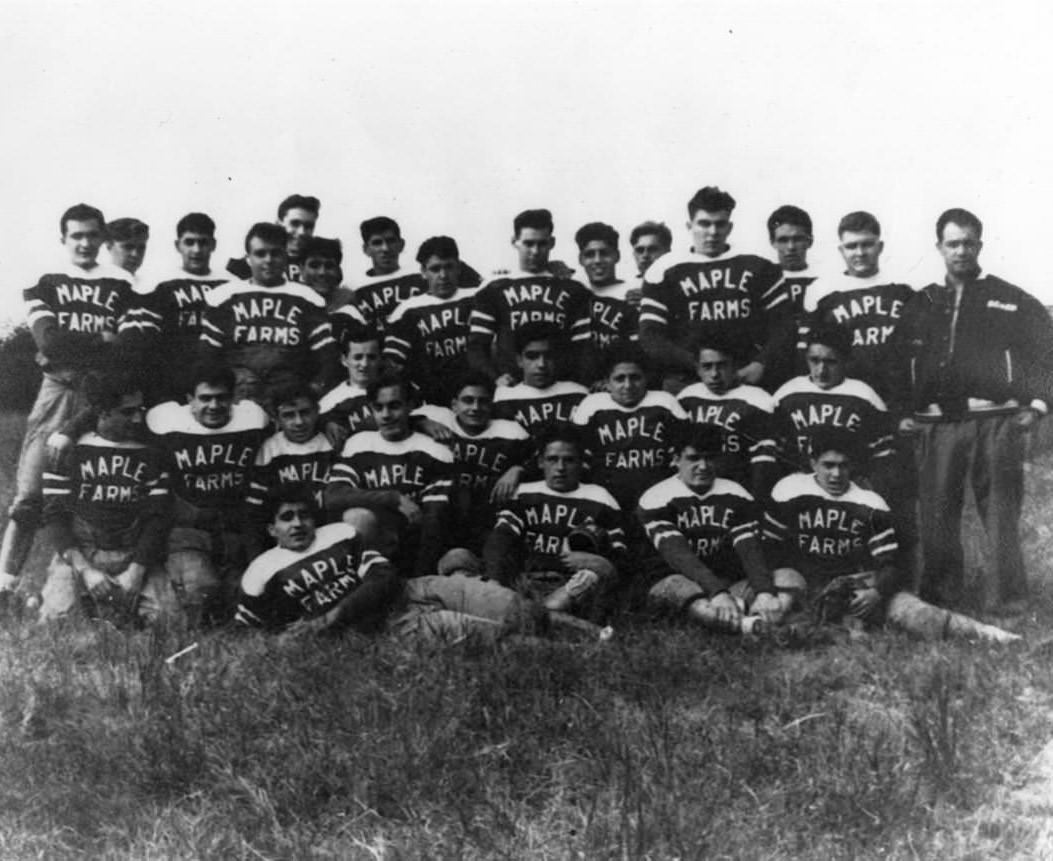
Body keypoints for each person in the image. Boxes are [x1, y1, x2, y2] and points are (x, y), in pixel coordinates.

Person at [895, 208, 1053, 615]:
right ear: (939, 248)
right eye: (953, 243)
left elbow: (1047, 354)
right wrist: (904, 411)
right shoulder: (921, 301)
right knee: (937, 514)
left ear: (980, 245)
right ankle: (942, 598)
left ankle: (1008, 600)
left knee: (1000, 514)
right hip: (938, 424)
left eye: (968, 242)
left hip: (995, 422)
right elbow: (895, 362)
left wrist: (1037, 406)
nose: (961, 250)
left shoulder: (1011, 299)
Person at [763, 429, 1020, 642]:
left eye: (843, 466)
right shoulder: (789, 490)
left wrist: (876, 591)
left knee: (916, 614)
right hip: (802, 583)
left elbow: (892, 565)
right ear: (812, 463)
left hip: (853, 587)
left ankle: (989, 634)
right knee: (776, 603)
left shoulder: (869, 502)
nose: (836, 474)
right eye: (828, 465)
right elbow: (768, 550)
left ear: (852, 466)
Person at [0, 203, 135, 600]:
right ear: (64, 239)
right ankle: (6, 584)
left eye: (93, 235)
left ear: (103, 238)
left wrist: (84, 345)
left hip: (102, 393)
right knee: (31, 491)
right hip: (58, 389)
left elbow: (124, 348)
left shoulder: (120, 282)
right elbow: (48, 342)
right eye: (77, 235)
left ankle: (75, 585)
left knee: (95, 486)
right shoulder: (45, 280)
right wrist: (98, 340)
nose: (85, 243)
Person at [237, 483, 546, 643]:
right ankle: (583, 652)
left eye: (303, 515)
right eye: (286, 518)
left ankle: (593, 635)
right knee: (495, 635)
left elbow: (383, 577)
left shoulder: (339, 534)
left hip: (411, 590)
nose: (298, 524)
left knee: (516, 607)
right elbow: (251, 632)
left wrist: (332, 617)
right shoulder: (261, 572)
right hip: (387, 624)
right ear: (271, 529)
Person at [38, 371, 170, 624]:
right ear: (101, 412)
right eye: (127, 412)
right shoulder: (68, 450)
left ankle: (110, 606)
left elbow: (158, 517)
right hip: (84, 552)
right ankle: (77, 597)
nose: (138, 418)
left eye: (140, 409)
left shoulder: (152, 451)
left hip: (132, 552)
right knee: (57, 622)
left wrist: (137, 570)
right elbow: (54, 515)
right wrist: (85, 570)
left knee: (166, 621)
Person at [636, 424, 793, 633]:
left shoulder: (736, 493)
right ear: (675, 459)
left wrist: (764, 592)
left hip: (727, 583)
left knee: (789, 577)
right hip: (678, 581)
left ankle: (751, 615)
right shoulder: (656, 498)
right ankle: (755, 627)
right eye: (693, 458)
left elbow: (749, 549)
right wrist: (717, 592)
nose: (703, 466)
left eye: (710, 458)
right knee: (695, 601)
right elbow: (679, 555)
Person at [146, 361, 269, 625]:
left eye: (221, 398)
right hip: (188, 532)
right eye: (205, 398)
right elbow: (107, 408)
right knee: (201, 593)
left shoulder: (252, 420)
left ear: (234, 397)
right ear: (189, 399)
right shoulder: (165, 422)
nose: (214, 406)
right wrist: (67, 431)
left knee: (251, 600)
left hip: (233, 533)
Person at [640, 186, 792, 393]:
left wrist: (760, 363)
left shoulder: (757, 265)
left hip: (745, 375)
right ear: (689, 226)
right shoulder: (664, 270)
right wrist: (696, 365)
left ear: (729, 227)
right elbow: (651, 336)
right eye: (704, 224)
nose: (712, 232)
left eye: (720, 224)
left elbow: (783, 325)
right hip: (687, 378)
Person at [482, 423, 625, 617]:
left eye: (569, 460)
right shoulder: (524, 493)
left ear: (581, 463)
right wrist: (496, 583)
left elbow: (620, 556)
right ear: (540, 462)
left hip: (571, 583)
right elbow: (501, 539)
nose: (560, 468)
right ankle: (543, 615)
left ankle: (546, 614)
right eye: (552, 459)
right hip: (526, 578)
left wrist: (598, 560)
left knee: (589, 579)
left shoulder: (600, 498)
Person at [325, 373, 454, 578]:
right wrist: (392, 498)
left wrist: (420, 574)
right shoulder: (359, 443)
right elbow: (333, 495)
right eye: (378, 407)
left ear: (410, 405)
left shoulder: (434, 450)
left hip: (414, 542)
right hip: (374, 540)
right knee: (357, 517)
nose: (385, 415)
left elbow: (434, 519)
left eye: (394, 406)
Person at [200, 222, 341, 404]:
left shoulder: (308, 298)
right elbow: (207, 358)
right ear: (248, 258)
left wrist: (310, 393)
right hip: (237, 400)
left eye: (275, 253)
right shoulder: (224, 297)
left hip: (289, 403)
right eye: (260, 254)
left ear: (285, 256)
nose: (268, 260)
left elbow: (327, 359)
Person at [468, 209, 593, 384]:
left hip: (561, 385)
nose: (535, 251)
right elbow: (477, 346)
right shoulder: (494, 288)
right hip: (513, 387)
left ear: (552, 242)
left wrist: (576, 382)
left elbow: (583, 347)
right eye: (528, 243)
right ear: (514, 242)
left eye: (542, 244)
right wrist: (495, 378)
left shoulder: (572, 287)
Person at [413, 372, 530, 553]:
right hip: (444, 512)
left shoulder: (510, 431)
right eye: (468, 400)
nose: (475, 408)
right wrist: (422, 422)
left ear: (491, 404)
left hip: (486, 513)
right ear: (454, 405)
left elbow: (540, 457)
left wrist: (518, 468)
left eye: (482, 401)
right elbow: (395, 420)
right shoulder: (439, 418)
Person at [802, 211, 914, 399]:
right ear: (841, 250)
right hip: (845, 395)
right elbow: (809, 353)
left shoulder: (904, 288)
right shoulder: (821, 291)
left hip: (897, 392)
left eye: (867, 244)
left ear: (880, 247)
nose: (860, 253)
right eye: (852, 246)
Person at [126, 212, 229, 402]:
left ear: (213, 245)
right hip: (171, 379)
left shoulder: (230, 285)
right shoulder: (160, 284)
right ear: (177, 245)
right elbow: (146, 341)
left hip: (217, 381)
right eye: (189, 242)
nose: (196, 250)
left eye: (203, 242)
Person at [572, 344, 687, 513]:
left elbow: (683, 451)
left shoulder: (664, 402)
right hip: (608, 497)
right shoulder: (592, 406)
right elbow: (579, 456)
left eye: (635, 377)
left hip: (657, 495)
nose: (628, 385)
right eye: (620, 379)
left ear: (646, 378)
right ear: (607, 382)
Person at [772, 326, 894, 479]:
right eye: (814, 360)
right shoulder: (787, 394)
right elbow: (773, 455)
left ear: (846, 361)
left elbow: (882, 457)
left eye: (831, 362)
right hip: (799, 484)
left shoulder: (865, 396)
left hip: (849, 487)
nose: (821, 370)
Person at [677, 336, 780, 500]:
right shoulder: (687, 397)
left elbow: (763, 462)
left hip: (738, 488)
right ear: (697, 369)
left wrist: (754, 499)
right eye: (707, 367)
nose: (714, 374)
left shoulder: (757, 399)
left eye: (721, 366)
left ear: (735, 366)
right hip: (695, 489)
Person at [384, 236, 480, 404]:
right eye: (435, 269)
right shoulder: (407, 310)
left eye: (449, 267)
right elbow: (394, 365)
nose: (443, 275)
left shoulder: (477, 298)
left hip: (479, 393)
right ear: (423, 271)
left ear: (458, 267)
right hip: (433, 398)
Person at [244, 382, 335, 560]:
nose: (299, 422)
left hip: (329, 530)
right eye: (288, 415)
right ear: (276, 418)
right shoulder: (269, 451)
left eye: (305, 412)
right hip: (289, 542)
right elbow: (254, 514)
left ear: (317, 411)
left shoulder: (332, 442)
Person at [492, 323, 588, 437]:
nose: (541, 364)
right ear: (519, 360)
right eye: (532, 356)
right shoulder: (504, 397)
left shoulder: (578, 393)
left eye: (548, 356)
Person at [574, 222, 639, 356]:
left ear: (617, 256)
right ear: (581, 259)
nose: (597, 260)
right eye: (590, 254)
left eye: (604, 253)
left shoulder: (632, 293)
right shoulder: (575, 291)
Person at [227, 194, 320, 282]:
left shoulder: (320, 264)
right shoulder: (246, 266)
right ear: (279, 224)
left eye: (308, 226)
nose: (301, 232)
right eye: (295, 224)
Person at [318, 324, 383, 447]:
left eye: (371, 357)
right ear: (344, 360)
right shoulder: (329, 402)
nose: (364, 364)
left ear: (380, 359)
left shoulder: (396, 391)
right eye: (358, 357)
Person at [767, 205, 817, 317]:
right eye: (783, 240)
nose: (791, 247)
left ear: (810, 241)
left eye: (797, 239)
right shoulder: (765, 280)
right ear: (773, 243)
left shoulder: (824, 278)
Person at [300, 236, 355, 313]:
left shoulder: (351, 304)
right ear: (302, 269)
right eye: (314, 265)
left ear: (338, 270)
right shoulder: (290, 300)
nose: (322, 272)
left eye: (329, 266)